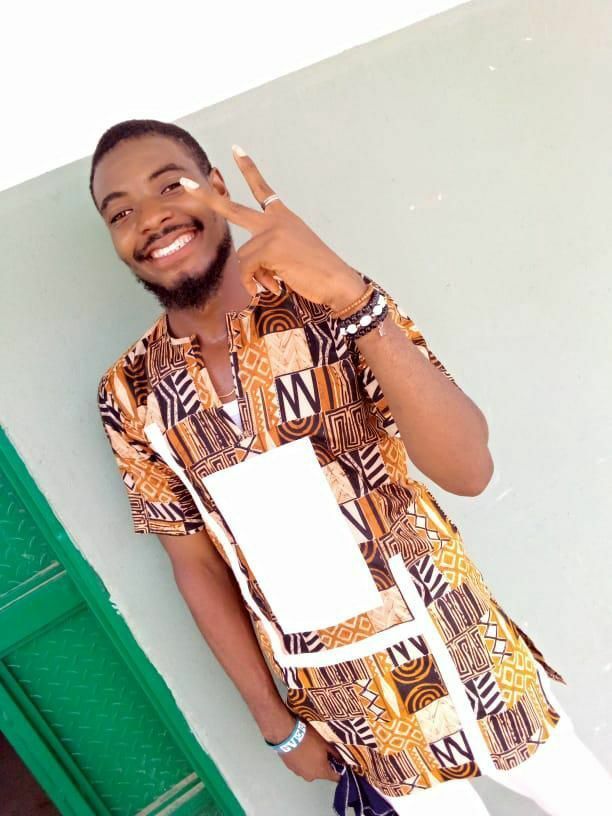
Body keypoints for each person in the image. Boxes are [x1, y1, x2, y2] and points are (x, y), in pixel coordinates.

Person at [92, 119, 611, 814]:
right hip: (351, 706)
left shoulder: (327, 301)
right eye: (120, 212)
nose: (150, 218)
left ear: (216, 186)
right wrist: (275, 724)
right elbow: (197, 566)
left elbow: (469, 470)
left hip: (468, 656)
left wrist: (352, 299)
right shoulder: (129, 392)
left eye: (170, 186)